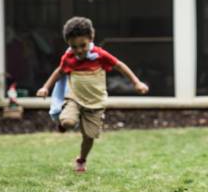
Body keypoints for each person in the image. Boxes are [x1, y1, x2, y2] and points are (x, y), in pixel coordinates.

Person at [36, 17, 149, 172]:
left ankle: (81, 159)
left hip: (95, 103)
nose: (79, 50)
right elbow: (59, 71)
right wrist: (45, 87)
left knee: (89, 136)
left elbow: (120, 66)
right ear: (69, 44)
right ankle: (65, 121)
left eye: (82, 45)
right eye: (74, 47)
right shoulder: (68, 58)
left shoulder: (100, 55)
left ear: (91, 38)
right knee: (68, 122)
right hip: (74, 98)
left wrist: (136, 83)